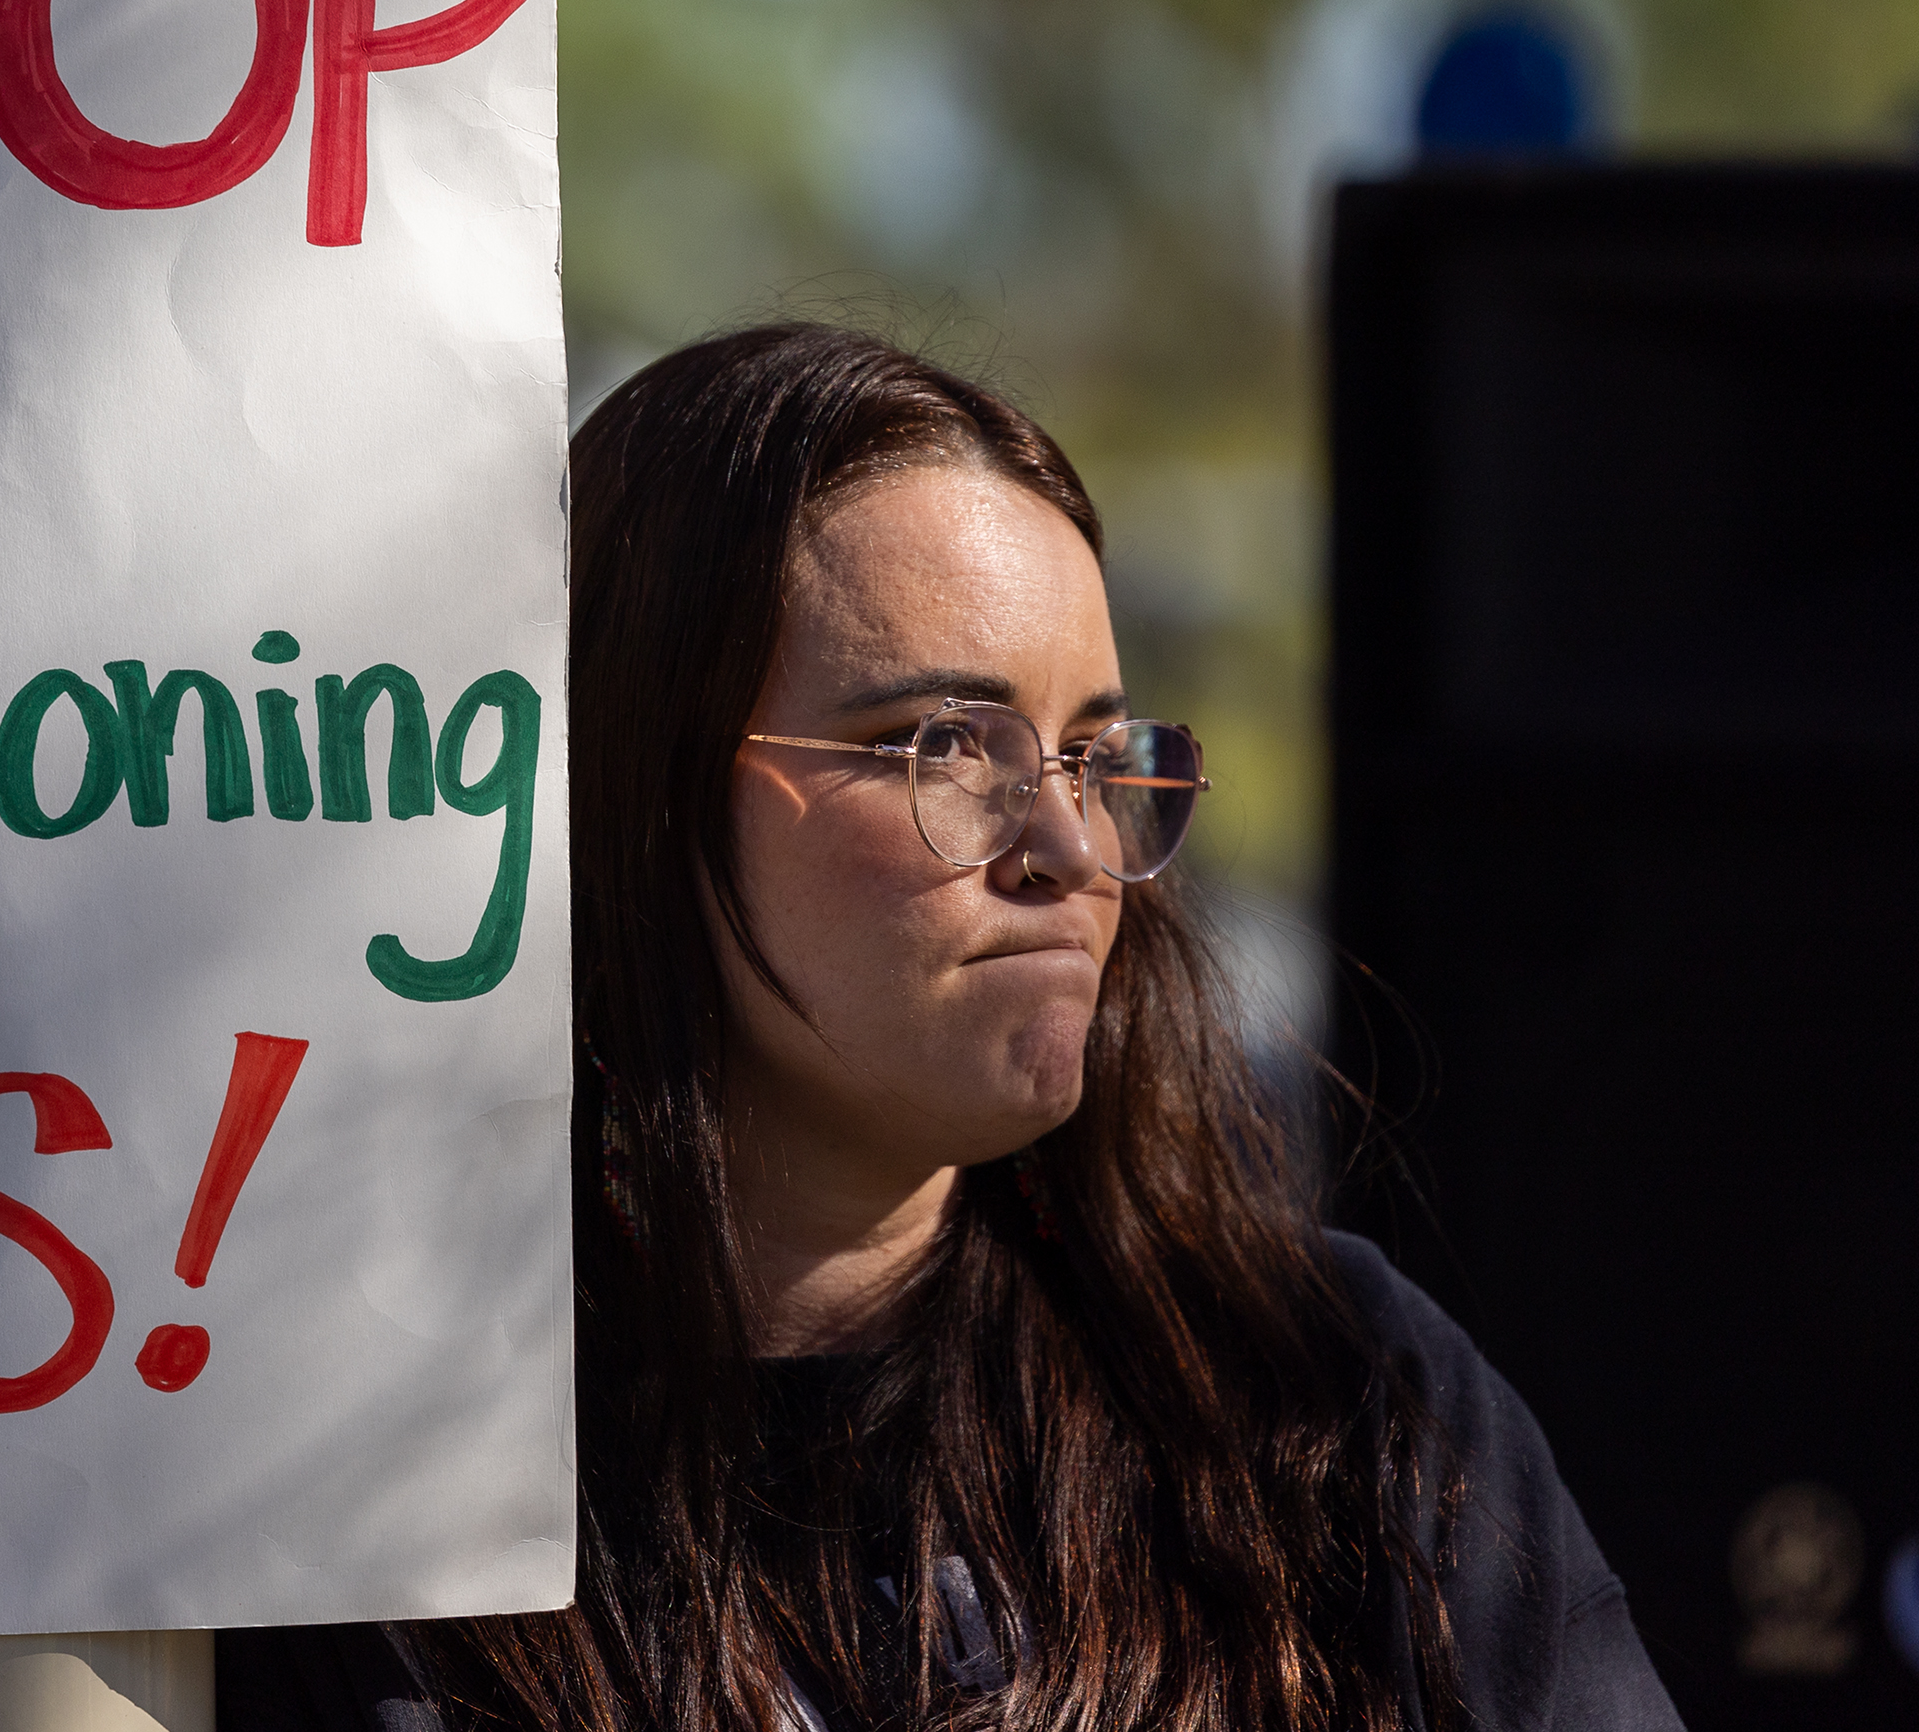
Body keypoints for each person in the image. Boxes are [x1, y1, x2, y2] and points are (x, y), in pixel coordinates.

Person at [219, 325, 1677, 1732]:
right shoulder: (340, 1519)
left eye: (1097, 756)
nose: (1067, 841)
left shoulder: (1335, 1404)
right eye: (944, 744)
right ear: (635, 790)